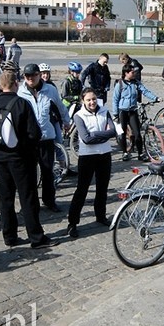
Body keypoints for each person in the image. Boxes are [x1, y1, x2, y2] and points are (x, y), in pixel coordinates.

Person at [0, 71, 55, 249]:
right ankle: (36, 237)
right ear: (16, 84)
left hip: (0, 157)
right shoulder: (21, 103)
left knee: (6, 198)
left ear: (0, 86)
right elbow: (34, 133)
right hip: (21, 158)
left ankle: (9, 236)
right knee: (28, 197)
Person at [18, 63, 71, 213]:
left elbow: (60, 107)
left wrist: (66, 121)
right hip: (28, 139)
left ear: (39, 75)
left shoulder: (50, 89)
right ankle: (31, 203)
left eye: (33, 76)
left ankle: (49, 200)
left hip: (46, 137)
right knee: (29, 174)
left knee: (48, 171)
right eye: (27, 76)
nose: (30, 79)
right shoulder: (20, 92)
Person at [67, 88, 117, 236]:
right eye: (88, 100)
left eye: (94, 99)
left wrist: (95, 134)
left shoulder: (104, 111)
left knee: (102, 188)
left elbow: (113, 131)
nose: (92, 102)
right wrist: (103, 135)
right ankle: (72, 222)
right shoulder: (79, 115)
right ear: (83, 101)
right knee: (82, 190)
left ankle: (100, 216)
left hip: (104, 154)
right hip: (87, 156)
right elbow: (86, 139)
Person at [111, 63, 160, 161]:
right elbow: (115, 100)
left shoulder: (136, 83)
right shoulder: (120, 84)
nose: (134, 74)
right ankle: (125, 152)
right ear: (126, 73)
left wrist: (155, 98)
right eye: (132, 72)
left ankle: (140, 153)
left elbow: (145, 91)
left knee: (137, 133)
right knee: (122, 133)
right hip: (122, 112)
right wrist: (115, 114)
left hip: (132, 111)